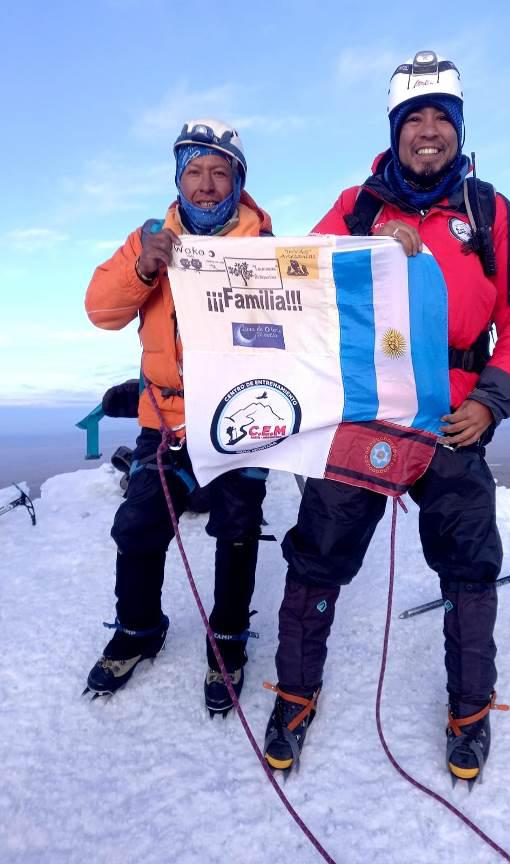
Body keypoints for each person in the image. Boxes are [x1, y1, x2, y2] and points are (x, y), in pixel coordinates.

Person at [263, 51, 510, 780]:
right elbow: (298, 279)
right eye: (413, 120)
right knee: (318, 550)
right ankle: (294, 695)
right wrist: (369, 248)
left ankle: (470, 709)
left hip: (454, 408)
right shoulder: (357, 206)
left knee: (469, 560)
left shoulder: (489, 211)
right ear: (394, 131)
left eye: (440, 119)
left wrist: (492, 400)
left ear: (457, 130)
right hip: (367, 409)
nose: (428, 132)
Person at [84, 119, 272, 717]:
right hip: (164, 418)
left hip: (242, 415)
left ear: (238, 182)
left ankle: (229, 640)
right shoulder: (149, 238)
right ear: (178, 178)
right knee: (139, 525)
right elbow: (101, 311)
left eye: (221, 172)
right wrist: (144, 266)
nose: (208, 184)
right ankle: (139, 628)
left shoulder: (267, 248)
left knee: (236, 531)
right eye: (195, 171)